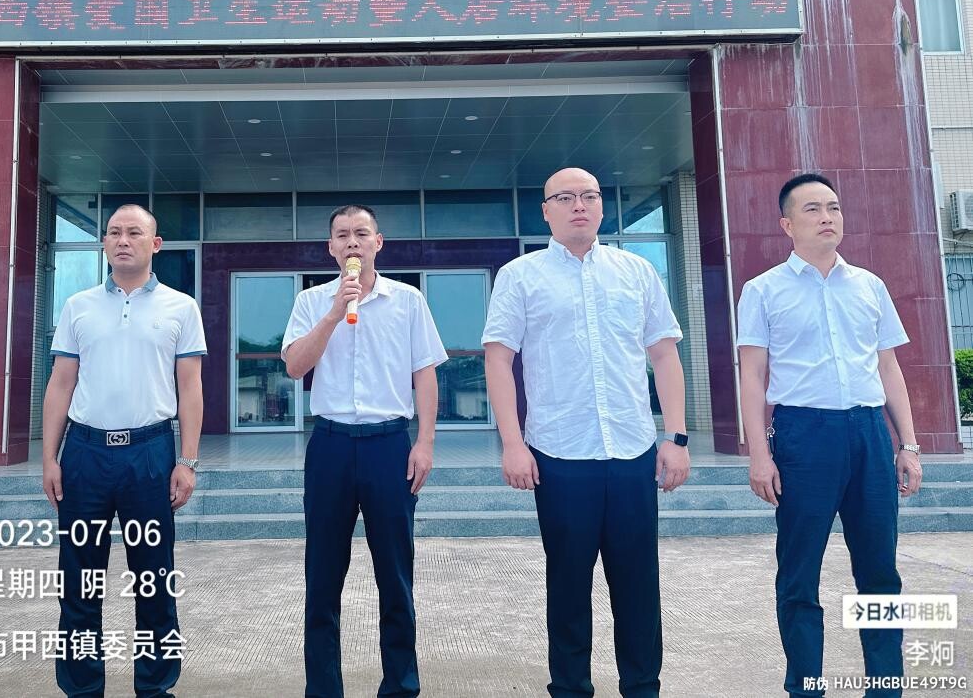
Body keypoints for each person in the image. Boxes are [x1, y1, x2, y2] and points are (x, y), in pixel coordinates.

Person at [482, 167, 690, 698]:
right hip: (559, 455)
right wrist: (513, 443)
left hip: (632, 452)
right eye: (566, 197)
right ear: (545, 211)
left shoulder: (637, 271)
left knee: (639, 586)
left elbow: (664, 355)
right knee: (568, 587)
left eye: (590, 196)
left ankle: (642, 687)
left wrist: (676, 436)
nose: (579, 205)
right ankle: (571, 688)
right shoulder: (520, 276)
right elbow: (499, 360)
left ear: (601, 206)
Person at [737, 173, 922, 698]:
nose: (827, 217)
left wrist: (907, 445)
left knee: (880, 571)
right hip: (804, 436)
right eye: (813, 209)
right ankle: (806, 686)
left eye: (834, 208)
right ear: (786, 224)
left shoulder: (869, 285)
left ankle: (886, 686)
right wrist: (759, 455)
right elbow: (753, 376)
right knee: (799, 573)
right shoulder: (763, 290)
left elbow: (888, 368)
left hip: (868, 434)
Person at [281, 204, 446, 698]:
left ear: (378, 242)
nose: (352, 242)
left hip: (389, 446)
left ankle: (400, 685)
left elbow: (424, 374)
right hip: (330, 446)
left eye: (361, 233)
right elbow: (295, 366)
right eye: (342, 235)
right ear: (331, 247)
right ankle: (323, 688)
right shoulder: (312, 301)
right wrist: (335, 313)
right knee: (322, 576)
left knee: (395, 576)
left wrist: (425, 443)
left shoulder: (408, 300)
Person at [42, 203, 205, 698]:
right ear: (104, 243)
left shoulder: (181, 307)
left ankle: (155, 687)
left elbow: (190, 387)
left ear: (155, 244)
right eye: (114, 232)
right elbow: (60, 383)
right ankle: (81, 688)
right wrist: (50, 458)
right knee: (79, 580)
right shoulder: (79, 306)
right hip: (85, 454)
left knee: (154, 580)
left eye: (134, 232)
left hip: (150, 454)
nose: (122, 240)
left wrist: (187, 460)